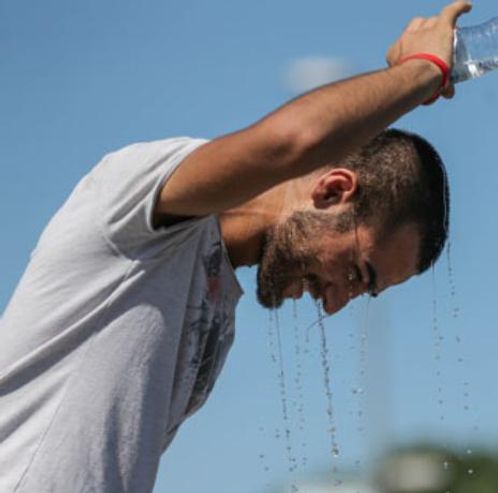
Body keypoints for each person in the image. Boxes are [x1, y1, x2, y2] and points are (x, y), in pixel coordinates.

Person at [0, 1, 472, 491]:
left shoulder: (216, 306)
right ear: (332, 192)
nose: (334, 304)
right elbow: (294, 140)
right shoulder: (140, 204)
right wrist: (424, 71)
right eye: (357, 273)